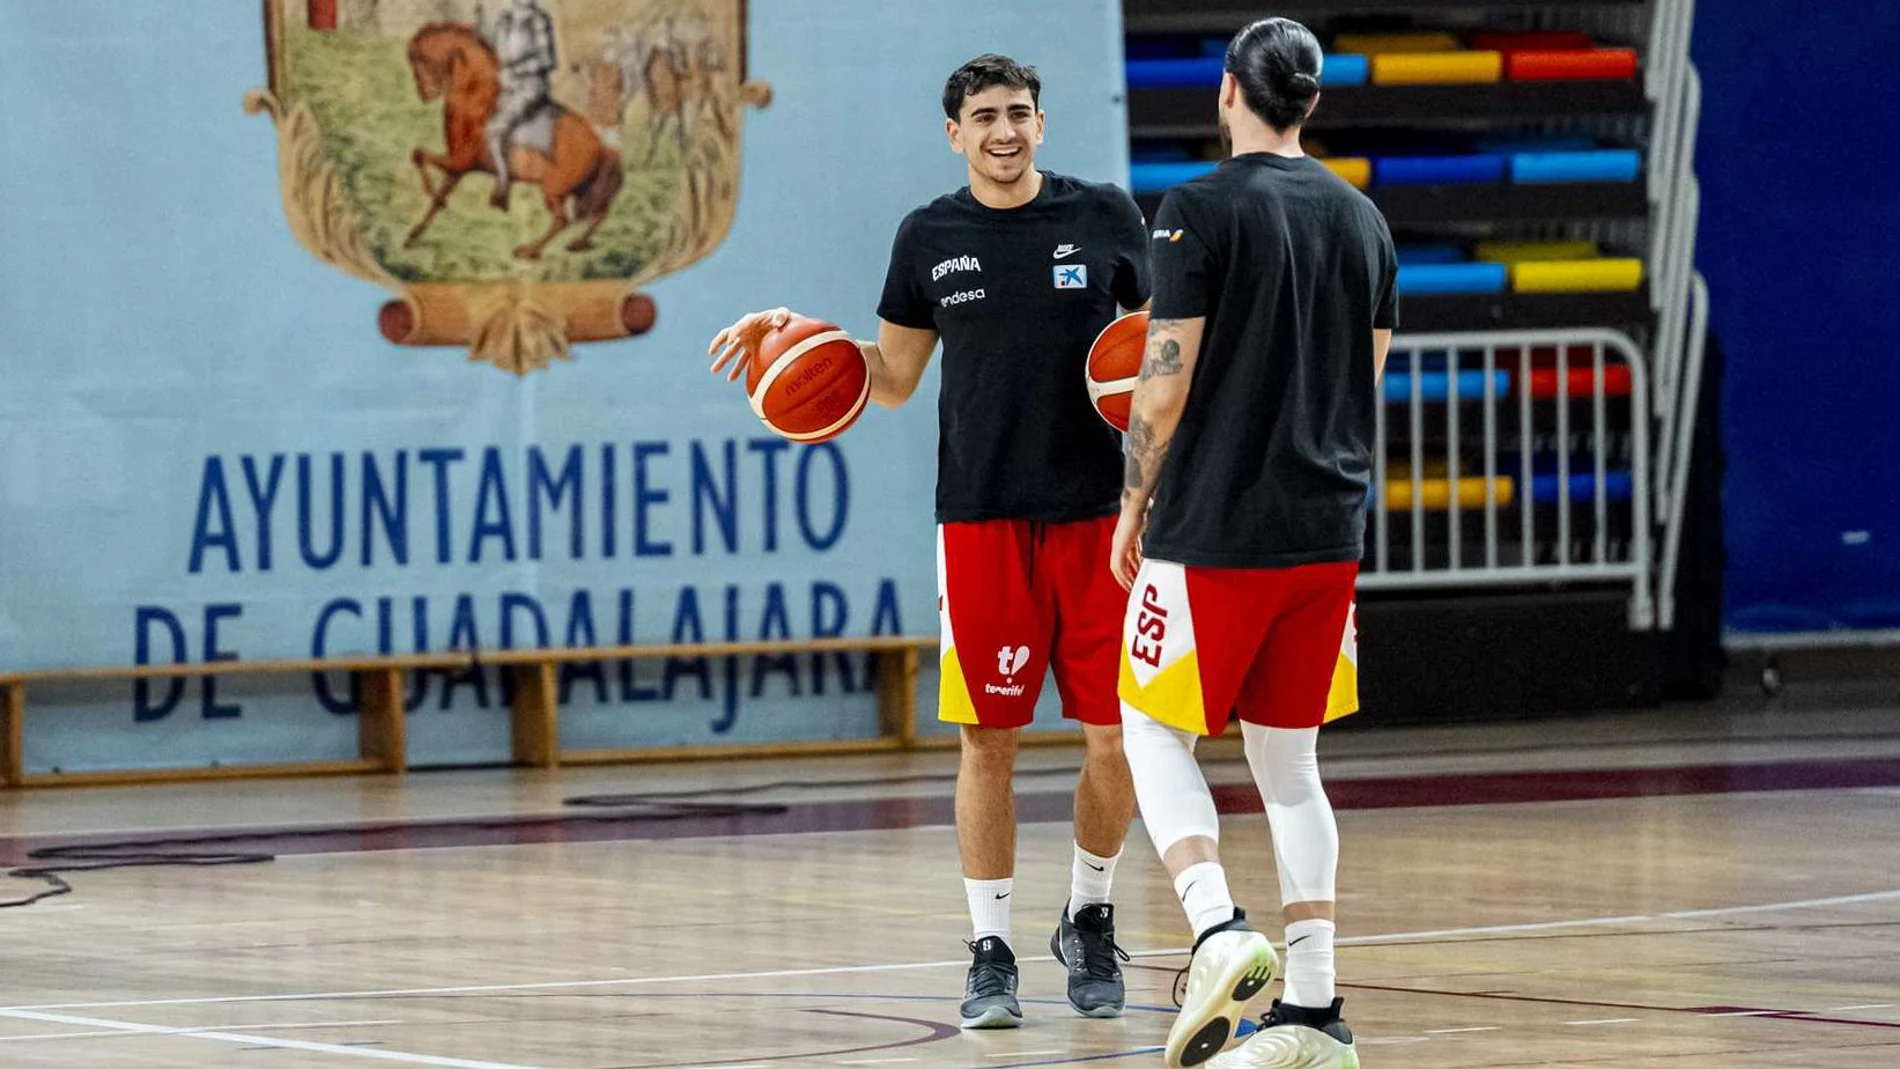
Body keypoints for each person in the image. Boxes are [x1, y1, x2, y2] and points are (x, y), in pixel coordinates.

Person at [708, 54, 1151, 1029]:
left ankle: (1091, 911)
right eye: (985, 116)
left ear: (1043, 124)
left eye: (1019, 113)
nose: (1004, 129)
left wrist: (1158, 463)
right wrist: (802, 341)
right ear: (954, 133)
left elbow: (1159, 350)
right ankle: (989, 949)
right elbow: (895, 374)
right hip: (980, 521)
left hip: (1094, 522)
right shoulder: (929, 236)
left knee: (1118, 738)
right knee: (985, 738)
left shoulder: (1105, 217)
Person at [1110, 17, 1395, 1069]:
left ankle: (1218, 927)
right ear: (1309, 101)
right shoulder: (1364, 219)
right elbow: (1360, 379)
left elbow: (1167, 374)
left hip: (1215, 529)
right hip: (1326, 532)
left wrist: (1133, 501)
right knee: (1290, 767)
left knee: (1148, 728)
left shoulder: (1196, 209)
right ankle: (1314, 1007)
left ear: (1229, 89)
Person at [486, 0, 558, 208]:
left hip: (531, 84)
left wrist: (515, 71)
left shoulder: (539, 20)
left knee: (495, 129)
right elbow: (494, 50)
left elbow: (547, 59)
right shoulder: (503, 20)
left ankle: (503, 182)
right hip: (504, 83)